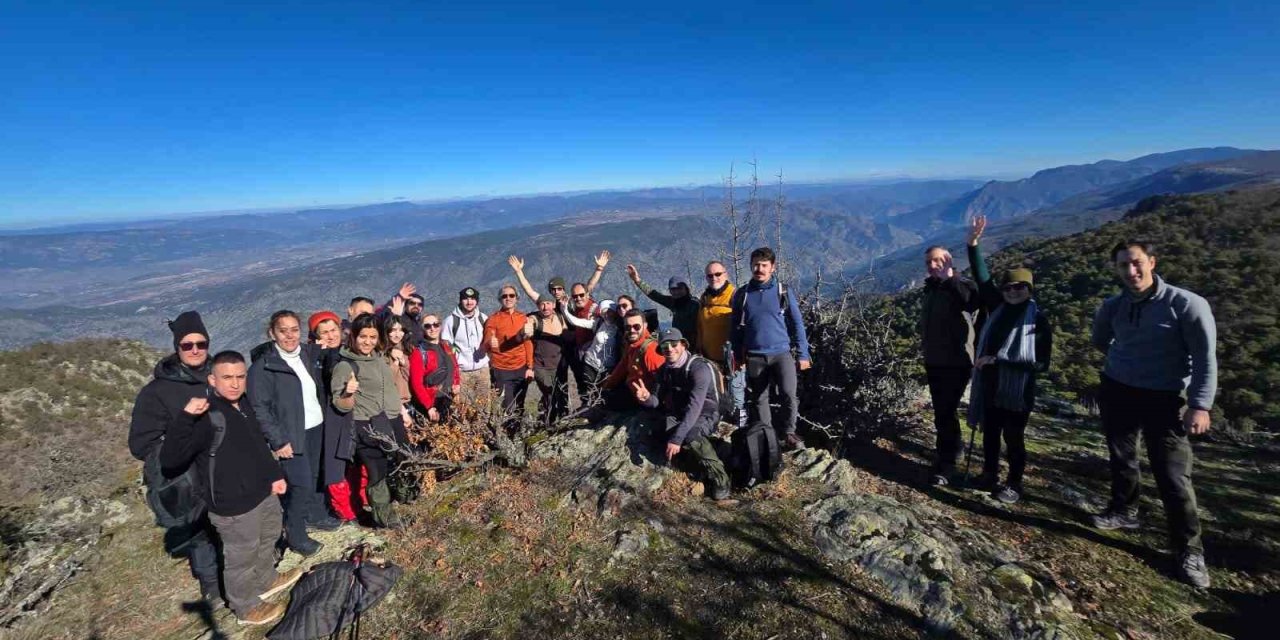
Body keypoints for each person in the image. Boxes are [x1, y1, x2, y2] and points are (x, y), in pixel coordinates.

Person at [1089, 240, 1217, 588]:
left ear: (1152, 262)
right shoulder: (1113, 306)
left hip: (1166, 397)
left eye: (1137, 263)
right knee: (1122, 457)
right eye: (1123, 265)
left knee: (1172, 474)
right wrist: (1124, 360)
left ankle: (1189, 549)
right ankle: (1124, 511)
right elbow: (1100, 340)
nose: (1131, 271)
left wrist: (1200, 404)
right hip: (1118, 390)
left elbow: (1205, 357)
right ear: (1116, 269)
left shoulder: (1186, 304)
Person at [159, 350, 301, 626]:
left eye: (240, 377)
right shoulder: (206, 416)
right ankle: (245, 607)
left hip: (263, 492)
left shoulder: (243, 404)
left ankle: (266, 579)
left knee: (269, 537)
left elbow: (258, 445)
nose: (235, 383)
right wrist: (185, 417)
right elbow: (170, 460)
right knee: (241, 557)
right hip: (232, 504)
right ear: (212, 380)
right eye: (227, 377)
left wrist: (275, 475)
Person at [128, 311, 222, 606]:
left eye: (201, 343)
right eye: (187, 345)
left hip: (224, 465)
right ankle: (211, 583)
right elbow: (141, 444)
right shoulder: (156, 392)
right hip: (188, 475)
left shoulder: (218, 377)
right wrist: (180, 446)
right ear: (177, 347)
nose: (195, 350)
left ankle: (235, 570)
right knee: (199, 529)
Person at [965, 216, 1053, 504]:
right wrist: (973, 244)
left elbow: (1041, 364)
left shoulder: (1038, 322)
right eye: (1009, 288)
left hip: (1018, 392)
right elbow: (983, 279)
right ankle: (989, 474)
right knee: (990, 433)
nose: (1013, 291)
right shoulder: (998, 307)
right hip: (991, 385)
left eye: (1020, 287)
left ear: (1030, 290)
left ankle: (1014, 483)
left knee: (1014, 437)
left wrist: (998, 361)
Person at [247, 311, 339, 560]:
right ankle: (296, 535)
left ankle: (317, 515)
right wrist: (277, 440)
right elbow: (259, 408)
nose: (289, 336)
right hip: (290, 435)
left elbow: (333, 356)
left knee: (317, 475)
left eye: (294, 330)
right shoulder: (263, 367)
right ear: (272, 333)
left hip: (316, 426)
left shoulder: (307, 354)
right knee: (300, 485)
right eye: (283, 330)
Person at [634, 328, 735, 504]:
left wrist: (677, 439)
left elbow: (695, 407)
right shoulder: (665, 369)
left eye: (674, 344)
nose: (670, 349)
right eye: (665, 346)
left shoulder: (699, 368)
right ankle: (703, 459)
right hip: (681, 411)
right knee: (656, 431)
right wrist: (647, 398)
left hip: (707, 412)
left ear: (683, 345)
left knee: (690, 435)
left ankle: (721, 481)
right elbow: (656, 400)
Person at [330, 313, 408, 529]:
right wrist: (347, 393)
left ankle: (406, 499)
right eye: (363, 336)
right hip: (366, 424)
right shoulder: (346, 366)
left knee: (402, 458)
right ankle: (385, 517)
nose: (368, 341)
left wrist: (401, 411)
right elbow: (339, 404)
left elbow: (389, 387)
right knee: (377, 470)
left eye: (372, 337)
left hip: (391, 418)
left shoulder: (377, 357)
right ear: (353, 336)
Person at [731, 247, 811, 451]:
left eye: (764, 265)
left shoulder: (782, 291)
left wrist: (803, 353)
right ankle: (767, 435)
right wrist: (737, 355)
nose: (759, 269)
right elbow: (735, 327)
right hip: (755, 355)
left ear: (773, 267)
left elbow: (797, 323)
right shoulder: (742, 294)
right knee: (760, 398)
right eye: (756, 265)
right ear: (751, 266)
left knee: (789, 394)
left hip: (781, 353)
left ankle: (789, 433)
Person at [919, 239, 980, 486]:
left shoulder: (962, 285)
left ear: (949, 261)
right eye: (929, 262)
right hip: (934, 359)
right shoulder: (932, 289)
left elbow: (972, 301)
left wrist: (950, 278)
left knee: (945, 410)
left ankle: (948, 462)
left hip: (956, 361)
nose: (933, 265)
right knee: (942, 410)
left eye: (938, 260)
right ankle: (950, 450)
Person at [698, 260, 746, 427]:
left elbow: (744, 326)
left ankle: (741, 427)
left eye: (718, 274)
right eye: (710, 275)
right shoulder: (705, 297)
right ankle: (721, 426)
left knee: (736, 392)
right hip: (710, 357)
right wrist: (699, 347)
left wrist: (742, 353)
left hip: (732, 357)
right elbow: (700, 325)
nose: (714, 278)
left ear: (726, 274)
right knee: (717, 394)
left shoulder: (735, 295)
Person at [484, 285, 534, 417]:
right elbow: (487, 339)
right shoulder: (493, 319)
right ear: (500, 299)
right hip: (501, 370)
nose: (508, 298)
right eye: (504, 296)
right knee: (506, 406)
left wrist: (530, 367)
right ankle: (504, 429)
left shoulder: (522, 318)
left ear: (517, 298)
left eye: (512, 295)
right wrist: (490, 342)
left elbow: (527, 343)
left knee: (520, 404)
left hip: (521, 368)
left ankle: (516, 429)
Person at [522, 295, 573, 426]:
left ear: (554, 305)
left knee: (562, 393)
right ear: (538, 306)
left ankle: (563, 420)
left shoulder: (560, 317)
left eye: (548, 303)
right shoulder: (535, 319)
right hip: (541, 366)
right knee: (550, 393)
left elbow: (567, 335)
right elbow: (529, 324)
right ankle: (548, 421)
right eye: (542, 304)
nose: (545, 307)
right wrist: (527, 329)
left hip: (559, 365)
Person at [600, 309, 665, 411]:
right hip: (630, 390)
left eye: (636, 326)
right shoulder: (632, 343)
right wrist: (606, 386)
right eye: (628, 327)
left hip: (643, 399)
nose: (632, 330)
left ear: (645, 325)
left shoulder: (650, 350)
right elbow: (622, 367)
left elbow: (662, 381)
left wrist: (651, 401)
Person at [626, 264, 701, 346]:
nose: (676, 292)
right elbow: (654, 295)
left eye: (679, 288)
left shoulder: (695, 304)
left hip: (696, 344)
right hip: (679, 343)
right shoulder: (673, 302)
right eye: (673, 289)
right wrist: (637, 280)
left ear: (686, 289)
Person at [409, 313, 462, 421]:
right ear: (422, 329)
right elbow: (416, 384)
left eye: (436, 325)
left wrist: (456, 385)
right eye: (427, 326)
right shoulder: (419, 353)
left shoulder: (446, 346)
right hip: (432, 403)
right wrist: (429, 406)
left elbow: (455, 368)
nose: (432, 328)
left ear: (440, 326)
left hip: (449, 398)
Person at [441, 287, 490, 401]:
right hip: (462, 372)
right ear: (460, 300)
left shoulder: (483, 319)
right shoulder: (451, 321)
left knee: (484, 406)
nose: (469, 302)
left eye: (472, 299)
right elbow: (446, 347)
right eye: (466, 299)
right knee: (463, 406)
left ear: (477, 301)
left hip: (482, 369)